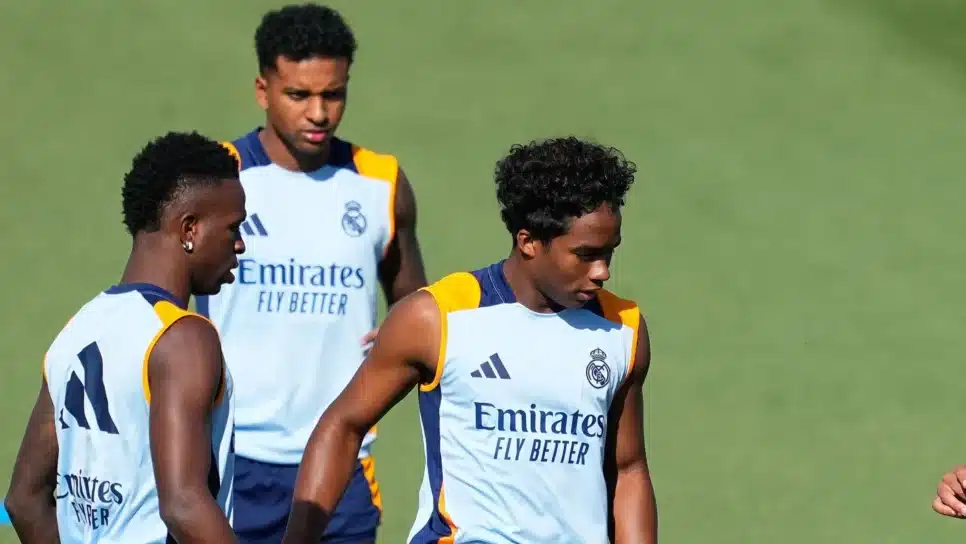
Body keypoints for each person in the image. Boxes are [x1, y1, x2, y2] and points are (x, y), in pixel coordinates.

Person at [282, 136, 659, 544]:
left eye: (609, 253)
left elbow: (628, 469)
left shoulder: (623, 330)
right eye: (586, 255)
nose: (603, 271)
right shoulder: (437, 317)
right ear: (528, 241)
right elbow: (343, 424)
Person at [195, 4, 428, 543]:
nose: (319, 113)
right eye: (299, 95)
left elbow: (415, 303)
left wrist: (400, 335)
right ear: (263, 90)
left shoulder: (381, 183)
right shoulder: (217, 177)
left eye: (333, 94)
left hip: (342, 461)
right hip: (232, 458)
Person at [4, 131, 246, 543]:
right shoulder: (183, 337)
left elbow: (24, 501)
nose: (240, 245)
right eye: (233, 228)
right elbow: (184, 506)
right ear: (189, 229)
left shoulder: (79, 326)